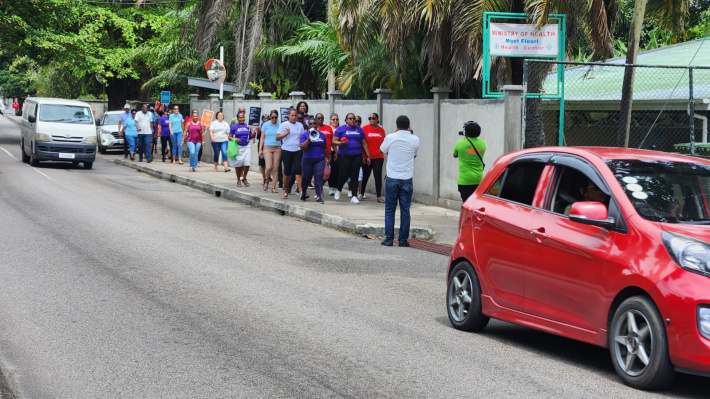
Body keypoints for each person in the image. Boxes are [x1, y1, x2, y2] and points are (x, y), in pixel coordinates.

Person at [380, 115, 419, 247]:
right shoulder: (415, 139)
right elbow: (414, 154)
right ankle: (403, 240)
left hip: (392, 177)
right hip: (406, 178)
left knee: (390, 209)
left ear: (396, 126)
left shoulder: (390, 137)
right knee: (405, 210)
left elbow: (382, 150)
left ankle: (389, 239)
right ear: (409, 126)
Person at [332, 113, 371, 204]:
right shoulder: (341, 129)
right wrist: (341, 143)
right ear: (346, 120)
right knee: (344, 174)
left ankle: (354, 196)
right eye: (350, 118)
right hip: (344, 156)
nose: (352, 120)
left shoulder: (359, 130)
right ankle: (338, 189)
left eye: (354, 118)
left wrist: (368, 156)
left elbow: (364, 143)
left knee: (355, 175)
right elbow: (333, 141)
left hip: (356, 155)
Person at [453, 121, 487, 203]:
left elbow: (455, 155)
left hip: (464, 181)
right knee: (476, 204)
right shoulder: (483, 144)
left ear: (465, 132)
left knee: (467, 204)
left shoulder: (460, 143)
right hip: (478, 180)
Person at [276, 108, 304, 199]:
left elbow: (302, 137)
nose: (294, 117)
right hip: (286, 150)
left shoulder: (300, 125)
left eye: (295, 115)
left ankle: (300, 191)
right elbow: (277, 138)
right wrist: (286, 133)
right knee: (287, 172)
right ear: (288, 116)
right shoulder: (284, 125)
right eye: (292, 115)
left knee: (298, 170)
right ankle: (285, 191)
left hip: (297, 150)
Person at [299, 119, 329, 203]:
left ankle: (319, 196)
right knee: (306, 178)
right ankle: (303, 193)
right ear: (308, 125)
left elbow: (325, 147)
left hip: (319, 159)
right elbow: (302, 147)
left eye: (314, 123)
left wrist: (329, 157)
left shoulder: (322, 135)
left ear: (317, 125)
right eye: (310, 124)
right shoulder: (305, 135)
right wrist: (309, 139)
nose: (312, 125)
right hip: (307, 160)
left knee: (318, 177)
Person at [360, 112, 386, 203]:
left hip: (378, 156)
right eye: (370, 118)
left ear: (378, 120)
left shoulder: (381, 130)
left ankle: (379, 196)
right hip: (367, 156)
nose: (371, 119)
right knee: (366, 175)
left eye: (373, 118)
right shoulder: (365, 128)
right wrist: (365, 156)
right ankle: (361, 194)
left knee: (377, 175)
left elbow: (384, 142)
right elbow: (362, 143)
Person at [229, 111, 254, 186]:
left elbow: (251, 136)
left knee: (247, 162)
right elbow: (229, 137)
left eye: (243, 117)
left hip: (246, 146)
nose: (241, 119)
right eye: (240, 118)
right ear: (237, 118)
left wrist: (253, 132)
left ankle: (244, 178)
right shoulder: (234, 127)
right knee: (238, 164)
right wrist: (234, 139)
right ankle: (238, 180)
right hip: (238, 147)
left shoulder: (248, 126)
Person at [260, 110, 281, 192]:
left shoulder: (280, 125)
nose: (274, 119)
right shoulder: (265, 125)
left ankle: (274, 186)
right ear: (270, 117)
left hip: (277, 147)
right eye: (273, 117)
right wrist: (260, 149)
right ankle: (266, 181)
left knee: (276, 168)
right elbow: (262, 137)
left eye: (276, 117)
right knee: (269, 166)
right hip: (267, 147)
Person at [327, 113, 340, 195]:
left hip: (340, 152)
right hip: (330, 151)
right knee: (331, 170)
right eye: (333, 119)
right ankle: (331, 187)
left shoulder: (341, 129)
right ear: (330, 120)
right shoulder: (328, 129)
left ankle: (336, 187)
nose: (335, 121)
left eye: (337, 119)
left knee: (338, 171)